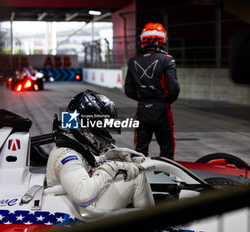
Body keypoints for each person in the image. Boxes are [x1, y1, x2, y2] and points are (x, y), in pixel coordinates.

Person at [46, 89, 154, 212]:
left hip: (73, 205)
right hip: (79, 212)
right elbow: (84, 195)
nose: (105, 133)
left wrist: (109, 156)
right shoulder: (66, 155)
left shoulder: (71, 142)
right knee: (137, 177)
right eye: (102, 127)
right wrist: (113, 167)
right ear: (86, 126)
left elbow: (83, 161)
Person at [124, 22, 180, 160]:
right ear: (162, 40)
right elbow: (174, 89)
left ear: (142, 40)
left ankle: (140, 178)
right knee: (167, 149)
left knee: (140, 150)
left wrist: (144, 99)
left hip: (142, 109)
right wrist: (162, 100)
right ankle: (167, 177)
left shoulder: (133, 61)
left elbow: (128, 89)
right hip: (162, 110)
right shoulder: (168, 60)